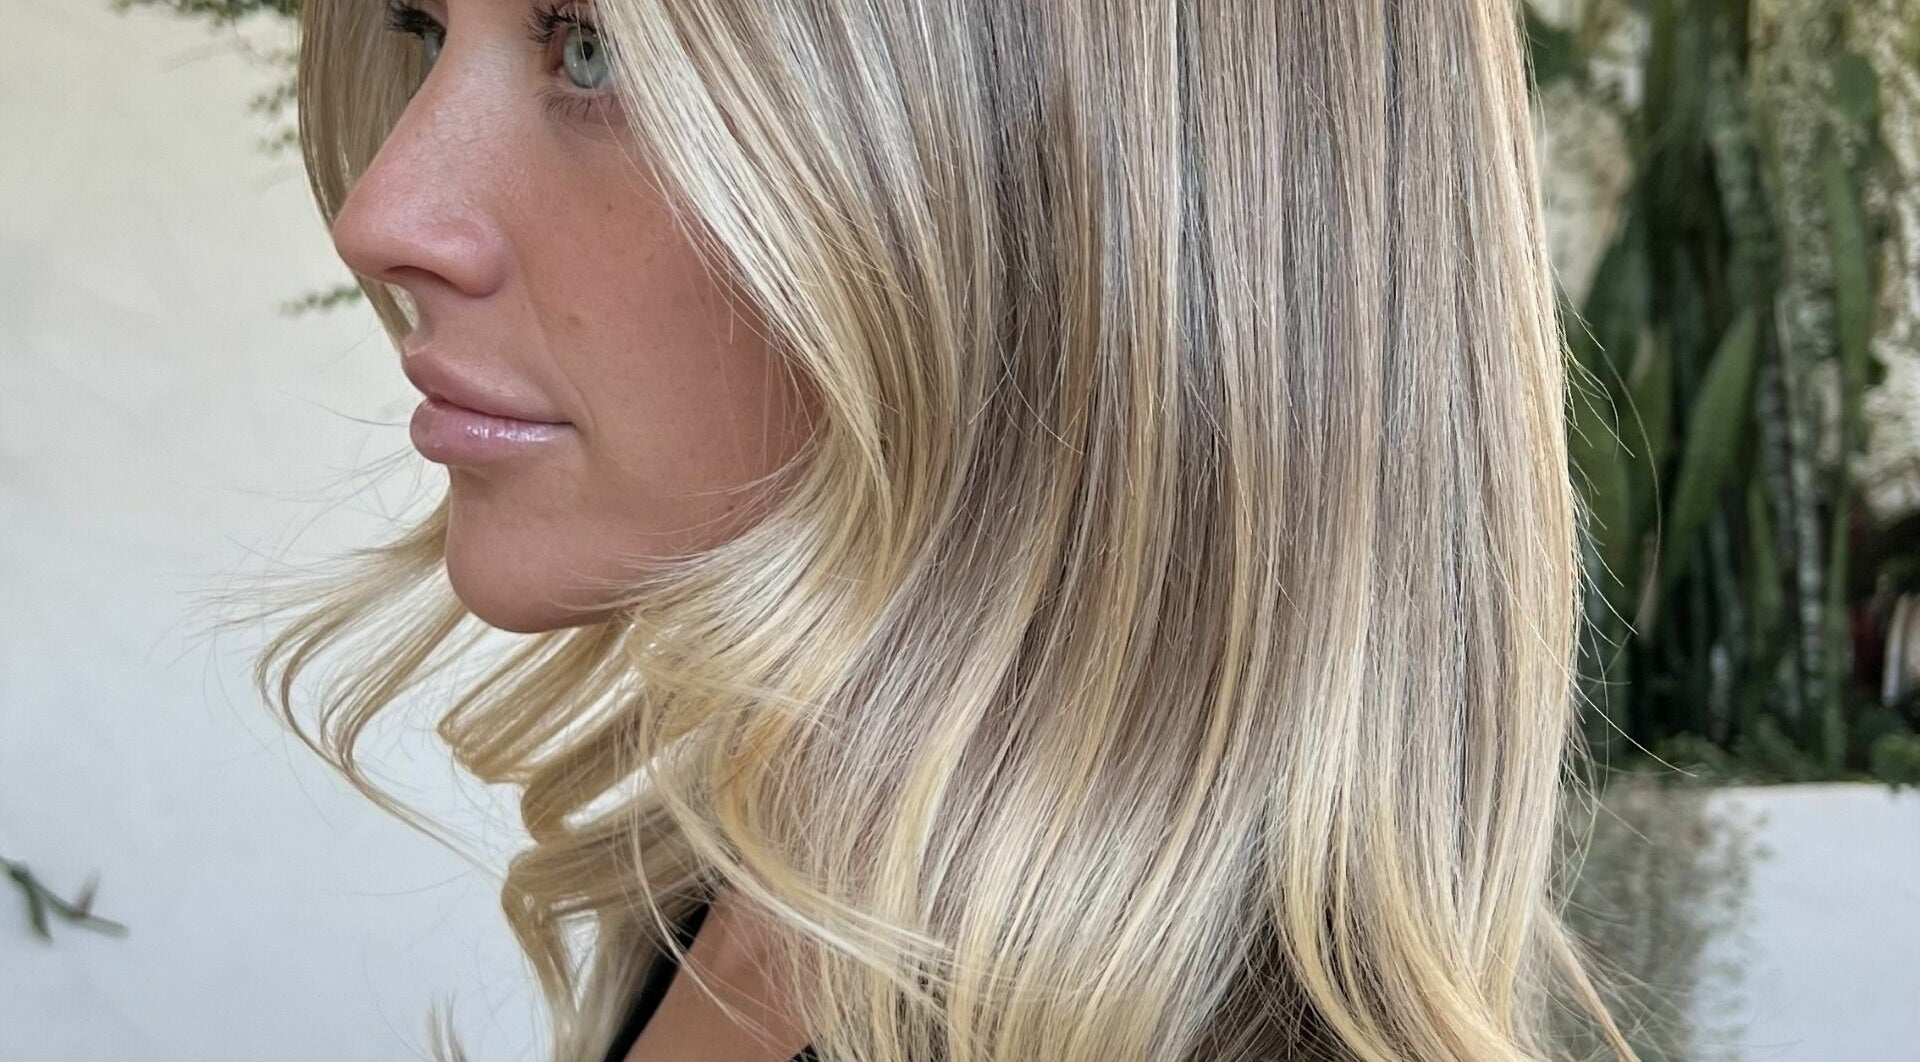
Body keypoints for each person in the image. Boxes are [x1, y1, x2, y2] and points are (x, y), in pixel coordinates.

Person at [236, 0, 1641, 1059]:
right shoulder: (764, 869)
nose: (382, 215)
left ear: (1085, 208)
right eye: (425, 29)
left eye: (596, 51)